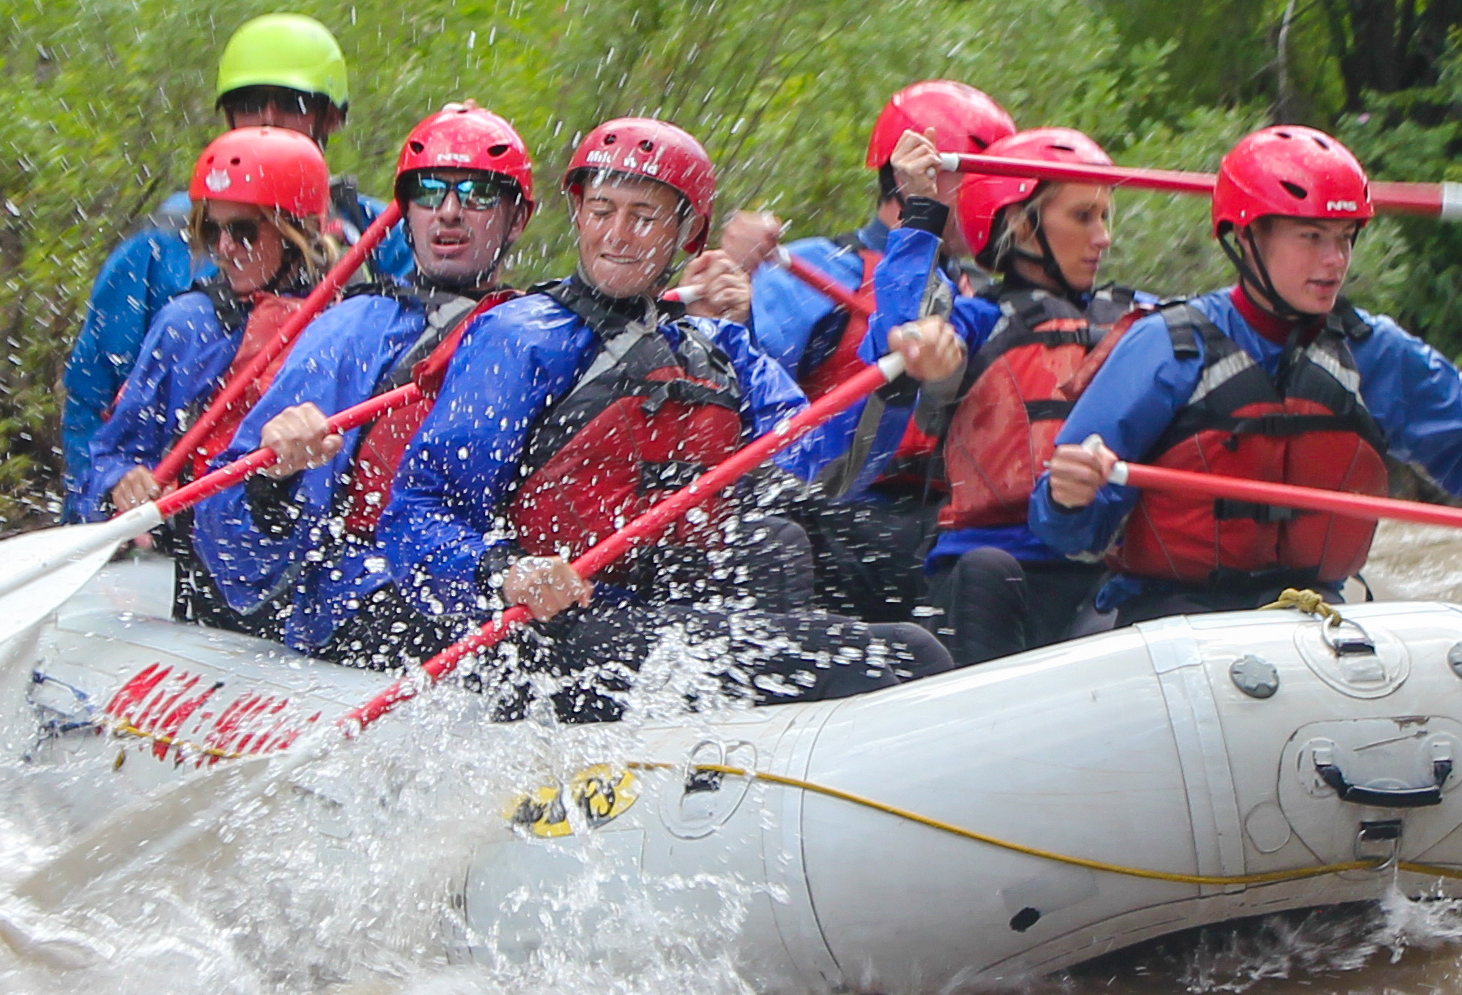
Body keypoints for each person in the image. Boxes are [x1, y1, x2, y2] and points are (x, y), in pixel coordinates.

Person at [281, 115, 963, 714]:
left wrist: (904, 362)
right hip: (546, 638)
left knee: (787, 550)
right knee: (908, 659)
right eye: (602, 209)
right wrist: (505, 572)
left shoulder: (717, 349)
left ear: (687, 231)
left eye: (644, 216)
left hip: (659, 622)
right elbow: (417, 519)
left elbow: (826, 464)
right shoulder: (522, 338)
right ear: (577, 214)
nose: (618, 235)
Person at [1032, 123, 1462, 627]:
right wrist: (1067, 497)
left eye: (1343, 238)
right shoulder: (1168, 346)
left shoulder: (1369, 350)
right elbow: (1066, 530)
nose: (1334, 260)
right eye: (1311, 237)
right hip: (1169, 613)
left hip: (1310, 612)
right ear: (1249, 238)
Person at [193, 103, 540, 636]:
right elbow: (228, 537)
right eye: (428, 192)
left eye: (476, 194)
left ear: (517, 217)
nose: (448, 211)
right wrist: (272, 479)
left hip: (497, 588)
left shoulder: (546, 331)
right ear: (407, 215)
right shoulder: (355, 328)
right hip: (360, 598)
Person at [748, 76, 1020, 621]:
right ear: (919, 176)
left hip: (940, 523)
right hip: (833, 515)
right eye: (985, 183)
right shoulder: (814, 270)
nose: (1001, 202)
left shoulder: (978, 294)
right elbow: (752, 416)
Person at [59, 10, 353, 496]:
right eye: (250, 103)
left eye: (293, 104)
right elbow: (93, 401)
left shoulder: (377, 236)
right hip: (179, 515)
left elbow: (449, 293)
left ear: (330, 117)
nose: (269, 119)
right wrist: (106, 494)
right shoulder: (159, 250)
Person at [78, 129, 351, 626]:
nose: (224, 248)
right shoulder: (187, 325)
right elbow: (109, 455)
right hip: (207, 585)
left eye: (244, 230)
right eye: (211, 229)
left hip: (312, 586)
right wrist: (121, 482)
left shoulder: (350, 327)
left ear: (297, 232)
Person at [910, 127, 1156, 664]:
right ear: (1020, 225)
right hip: (993, 567)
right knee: (986, 571)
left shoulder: (1144, 320)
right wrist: (928, 357)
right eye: (1082, 217)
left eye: (1105, 217)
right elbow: (911, 323)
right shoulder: (974, 320)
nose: (1103, 238)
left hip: (1100, 567)